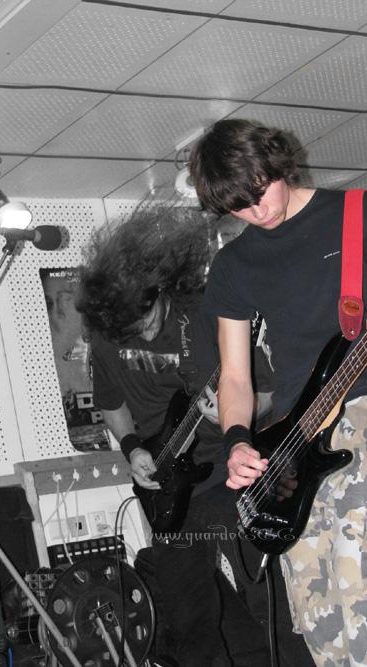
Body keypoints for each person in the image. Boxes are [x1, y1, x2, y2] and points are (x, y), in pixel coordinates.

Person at [189, 118, 367, 667]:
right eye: (238, 207)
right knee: (320, 616)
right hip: (292, 443)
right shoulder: (232, 266)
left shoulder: (357, 212)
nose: (256, 211)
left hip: (366, 405)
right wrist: (237, 441)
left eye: (259, 192)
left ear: (276, 163)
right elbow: (235, 377)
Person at [76, 206, 312, 667]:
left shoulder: (209, 312)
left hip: (231, 475)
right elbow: (110, 403)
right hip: (169, 493)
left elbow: (266, 395)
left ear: (159, 288)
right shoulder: (105, 337)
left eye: (147, 319)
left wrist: (233, 415)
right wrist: (132, 448)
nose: (144, 335)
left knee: (266, 599)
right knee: (189, 619)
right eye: (131, 331)